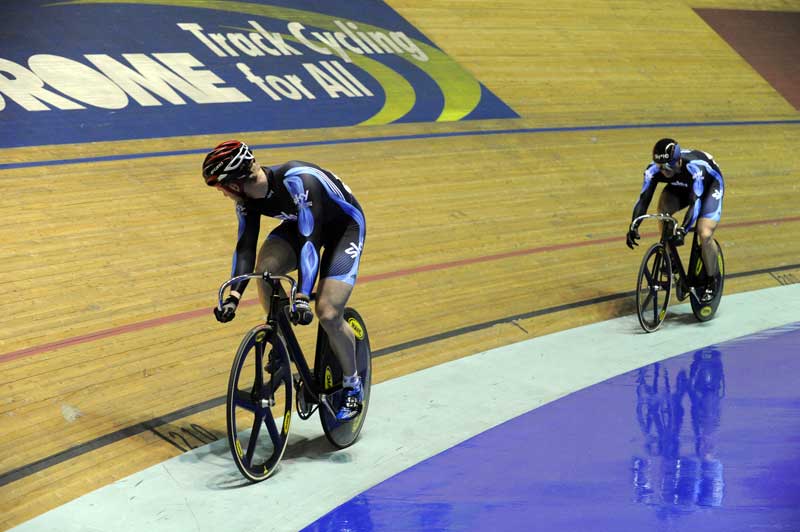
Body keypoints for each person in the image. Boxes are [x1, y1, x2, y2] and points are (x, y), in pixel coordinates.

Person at [202, 140, 366, 421]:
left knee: (327, 312)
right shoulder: (247, 202)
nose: (223, 194)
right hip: (300, 226)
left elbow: (310, 242)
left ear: (236, 184)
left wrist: (302, 296)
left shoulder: (298, 180)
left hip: (343, 229)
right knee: (265, 271)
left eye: (221, 188)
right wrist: (234, 296)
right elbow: (245, 248)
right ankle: (280, 340)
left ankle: (353, 386)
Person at [626, 138, 725, 302]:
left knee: (705, 233)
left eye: (667, 167)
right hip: (680, 185)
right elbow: (644, 199)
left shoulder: (695, 168)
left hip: (707, 186)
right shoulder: (654, 170)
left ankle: (712, 280)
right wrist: (634, 224)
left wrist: (683, 229)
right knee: (663, 212)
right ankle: (671, 257)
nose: (663, 171)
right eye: (660, 167)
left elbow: (696, 202)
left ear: (678, 161)